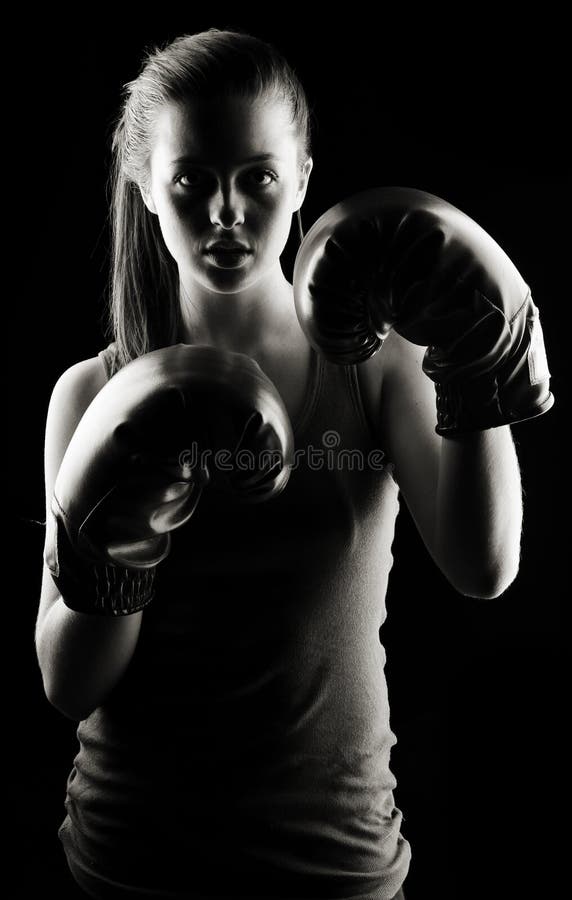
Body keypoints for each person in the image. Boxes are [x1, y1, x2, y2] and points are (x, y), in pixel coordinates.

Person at [35, 27, 554, 900]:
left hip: (337, 863)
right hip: (133, 866)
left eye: (259, 178)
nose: (227, 213)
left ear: (305, 178)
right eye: (193, 181)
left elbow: (485, 567)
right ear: (147, 189)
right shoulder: (93, 394)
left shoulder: (380, 368)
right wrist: (110, 539)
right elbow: (68, 683)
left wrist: (473, 359)